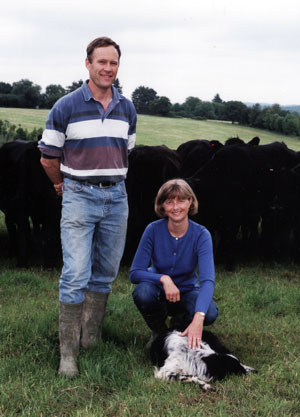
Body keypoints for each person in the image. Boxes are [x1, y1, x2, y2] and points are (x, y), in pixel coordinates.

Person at [39, 36, 137, 378]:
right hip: (79, 196)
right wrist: (61, 184)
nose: (108, 68)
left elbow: (127, 150)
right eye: (102, 62)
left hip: (117, 197)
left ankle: (89, 338)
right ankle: (68, 355)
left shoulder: (127, 107)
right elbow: (48, 157)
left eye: (113, 63)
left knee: (105, 274)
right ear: (88, 64)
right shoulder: (65, 106)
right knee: (75, 274)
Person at [130, 179, 218, 350]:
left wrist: (198, 318)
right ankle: (159, 331)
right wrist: (163, 278)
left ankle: (179, 324)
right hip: (158, 290)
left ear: (190, 202)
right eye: (169, 202)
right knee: (143, 292)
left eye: (181, 200)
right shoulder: (152, 230)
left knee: (210, 312)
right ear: (162, 206)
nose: (175, 207)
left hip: (187, 290)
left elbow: (207, 280)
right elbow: (135, 272)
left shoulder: (201, 234)